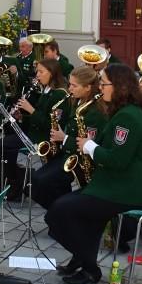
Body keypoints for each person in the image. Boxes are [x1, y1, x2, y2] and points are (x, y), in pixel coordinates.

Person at [46, 64, 142, 284]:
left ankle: (89, 267)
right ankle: (82, 261)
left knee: (59, 212)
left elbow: (117, 160)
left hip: (125, 190)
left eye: (104, 84)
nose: (100, 87)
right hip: (113, 184)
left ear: (120, 87)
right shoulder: (124, 112)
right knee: (76, 214)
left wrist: (89, 146)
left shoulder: (128, 117)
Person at [0, 59, 67, 202]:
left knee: (1, 146)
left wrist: (30, 109)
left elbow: (51, 125)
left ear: (52, 73)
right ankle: (16, 178)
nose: (37, 75)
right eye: (37, 71)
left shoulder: (59, 95)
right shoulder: (46, 90)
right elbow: (37, 118)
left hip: (43, 139)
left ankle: (18, 180)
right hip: (32, 134)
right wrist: (22, 117)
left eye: (41, 72)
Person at [31, 66, 107, 210]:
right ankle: (58, 211)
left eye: (74, 85)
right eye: (69, 84)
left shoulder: (95, 112)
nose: (70, 88)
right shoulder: (76, 101)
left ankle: (59, 211)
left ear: (88, 88)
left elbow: (90, 143)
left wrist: (64, 138)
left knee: (43, 182)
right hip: (66, 154)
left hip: (79, 160)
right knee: (35, 180)